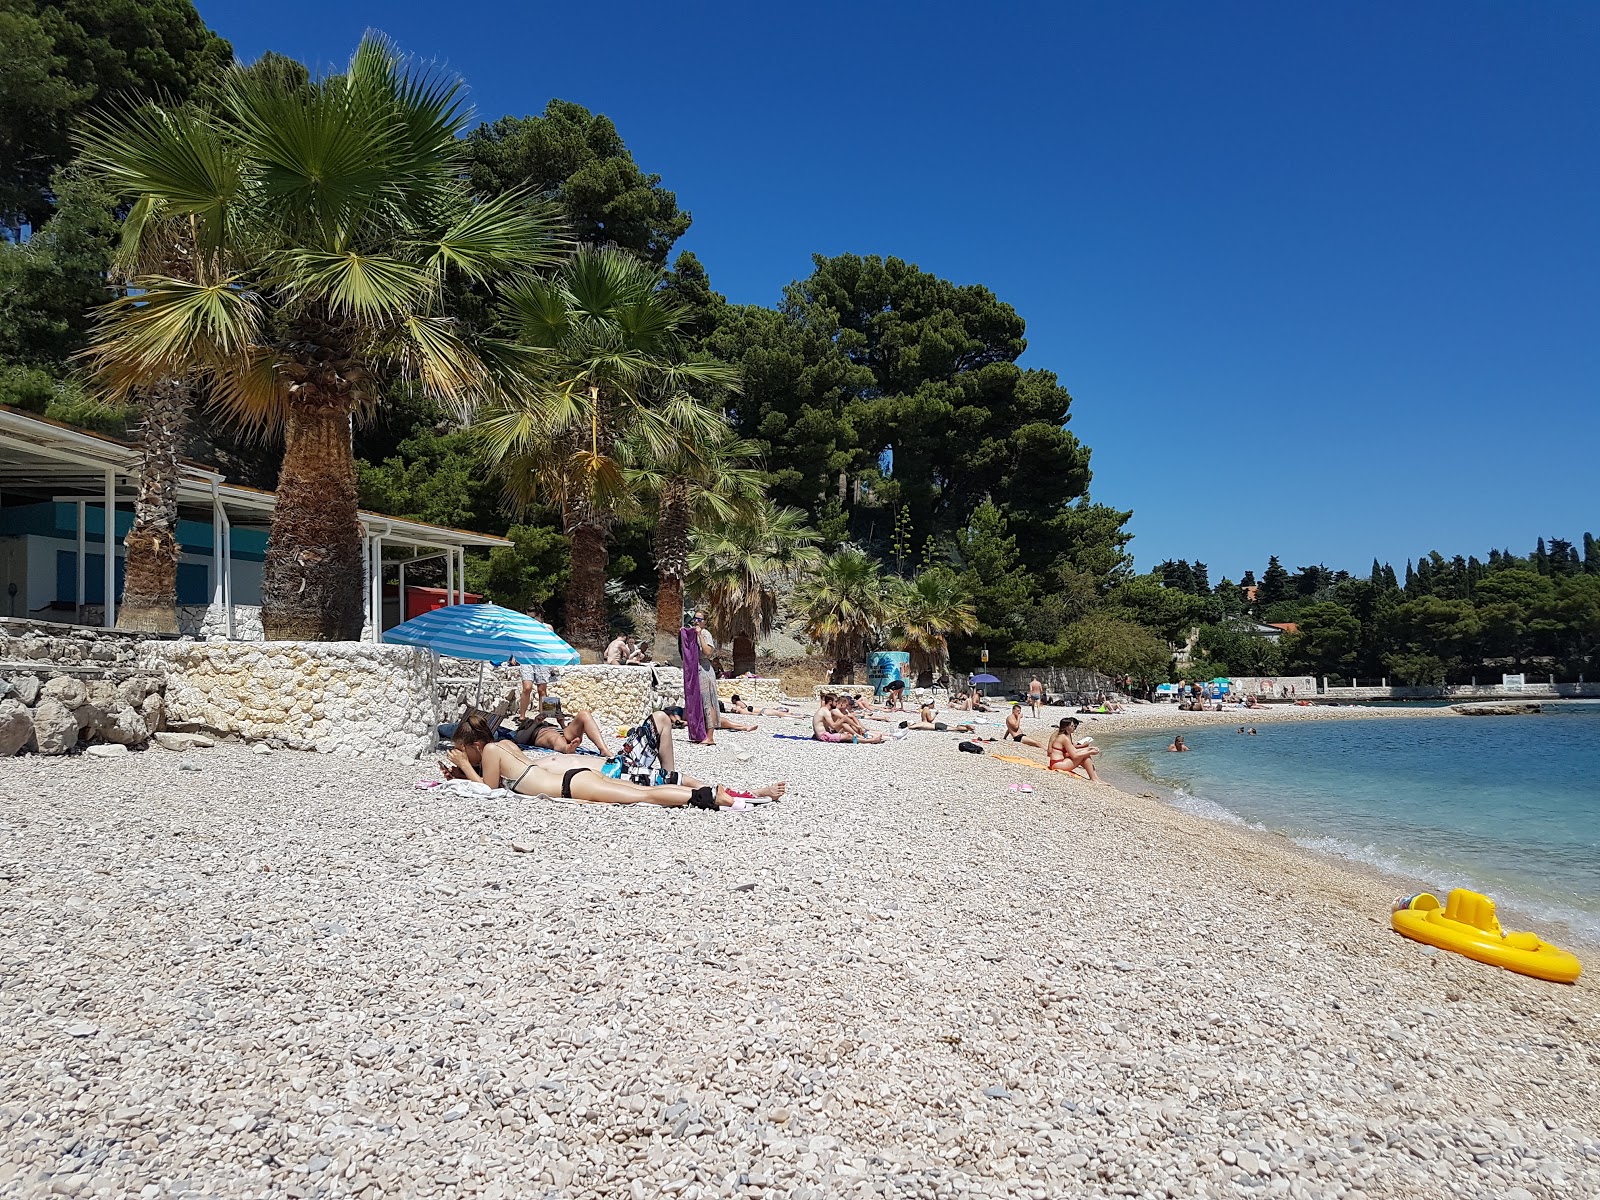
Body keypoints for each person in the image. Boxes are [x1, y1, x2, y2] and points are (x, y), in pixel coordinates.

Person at [445, 711, 786, 809]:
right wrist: (465, 770)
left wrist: (464, 768)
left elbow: (491, 790)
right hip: (578, 778)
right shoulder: (507, 749)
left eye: (467, 750)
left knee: (645, 795)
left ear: (476, 744)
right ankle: (722, 795)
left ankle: (711, 799)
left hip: (572, 785)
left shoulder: (491, 751)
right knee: (651, 789)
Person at [515, 696, 613, 756]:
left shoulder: (548, 724)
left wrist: (561, 722)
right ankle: (567, 749)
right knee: (553, 735)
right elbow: (519, 740)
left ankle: (603, 750)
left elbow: (564, 732)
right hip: (544, 735)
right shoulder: (527, 728)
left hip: (562, 733)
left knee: (584, 714)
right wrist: (535, 724)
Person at [726, 693, 794, 717]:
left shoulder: (738, 703)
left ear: (734, 700)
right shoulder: (740, 702)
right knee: (772, 711)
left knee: (773, 712)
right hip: (752, 709)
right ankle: (781, 710)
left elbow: (740, 709)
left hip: (752, 710)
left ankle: (782, 711)